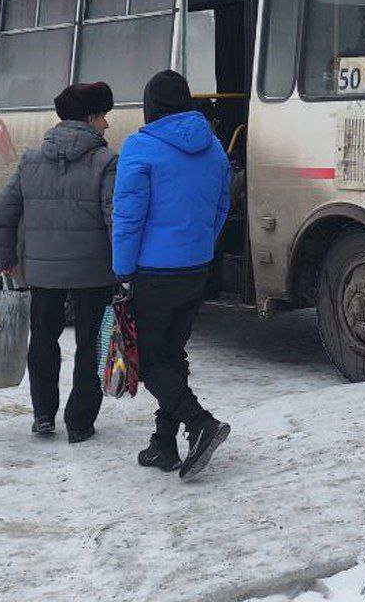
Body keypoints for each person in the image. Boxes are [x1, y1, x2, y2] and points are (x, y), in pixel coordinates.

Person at [114, 69, 232, 480]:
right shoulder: (214, 147)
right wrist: (198, 248)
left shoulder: (141, 148)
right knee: (172, 353)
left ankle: (199, 422)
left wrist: (122, 270)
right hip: (195, 267)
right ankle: (163, 444)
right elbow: (220, 209)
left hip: (152, 270)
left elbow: (128, 217)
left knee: (147, 360)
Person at [0, 82, 117, 443]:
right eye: (103, 116)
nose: (106, 125)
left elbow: (1, 212)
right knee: (91, 345)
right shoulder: (106, 162)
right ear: (91, 117)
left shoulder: (30, 160)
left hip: (43, 273)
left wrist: (4, 260)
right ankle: (79, 423)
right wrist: (125, 269)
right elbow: (114, 219)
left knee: (44, 339)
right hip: (93, 274)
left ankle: (43, 414)